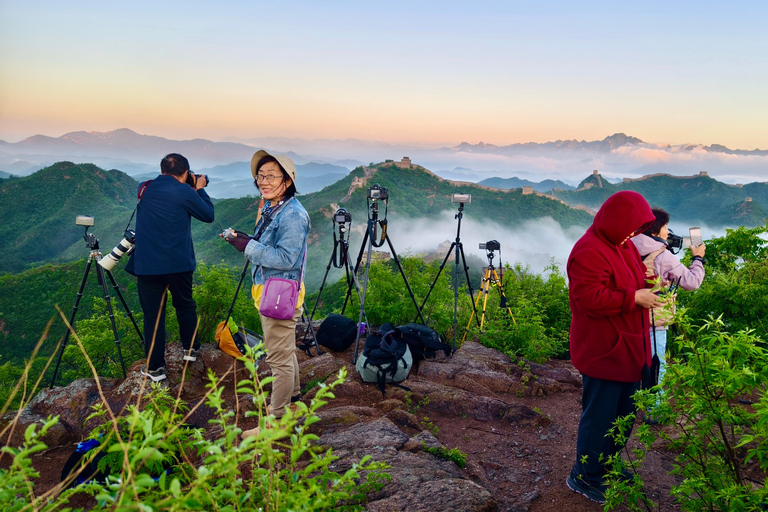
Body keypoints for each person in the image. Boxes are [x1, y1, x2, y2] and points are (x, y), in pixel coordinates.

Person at [566, 190, 662, 503]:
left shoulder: (624, 245)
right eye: (632, 226)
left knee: (624, 413)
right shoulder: (589, 251)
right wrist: (633, 297)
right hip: (604, 351)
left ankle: (608, 464)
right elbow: (589, 298)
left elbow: (629, 281)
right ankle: (585, 476)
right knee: (600, 418)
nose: (635, 233)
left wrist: (647, 282)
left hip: (630, 350)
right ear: (617, 220)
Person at [223, 150, 310, 436]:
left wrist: (247, 247)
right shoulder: (276, 206)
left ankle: (277, 421)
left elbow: (286, 259)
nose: (264, 181)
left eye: (271, 176)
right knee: (286, 351)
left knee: (278, 358)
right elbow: (268, 247)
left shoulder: (294, 215)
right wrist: (246, 240)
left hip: (280, 294)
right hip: (270, 289)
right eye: (261, 175)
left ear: (287, 181)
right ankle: (294, 401)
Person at [132, 153, 214, 382]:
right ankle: (190, 350)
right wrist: (199, 188)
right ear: (186, 173)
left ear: (161, 170)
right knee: (185, 304)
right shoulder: (186, 191)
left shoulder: (144, 188)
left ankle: (155, 369)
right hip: (178, 263)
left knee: (153, 316)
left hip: (147, 265)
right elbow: (208, 215)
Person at [631, 208, 706, 421]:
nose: (668, 232)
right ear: (655, 231)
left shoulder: (627, 247)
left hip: (631, 316)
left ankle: (630, 405)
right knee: (657, 364)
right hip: (655, 320)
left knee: (635, 362)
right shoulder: (662, 256)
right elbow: (691, 282)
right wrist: (698, 259)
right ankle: (655, 412)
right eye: (664, 227)